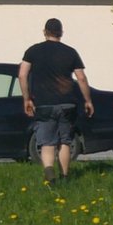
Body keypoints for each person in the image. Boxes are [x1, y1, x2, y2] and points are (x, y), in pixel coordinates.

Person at [18, 17, 94, 186]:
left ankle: (49, 173)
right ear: (61, 33)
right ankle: (65, 176)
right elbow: (81, 78)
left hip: (44, 103)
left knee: (47, 143)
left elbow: (22, 75)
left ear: (44, 32)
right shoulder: (70, 52)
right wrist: (88, 100)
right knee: (65, 141)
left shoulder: (33, 51)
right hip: (67, 104)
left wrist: (27, 99)